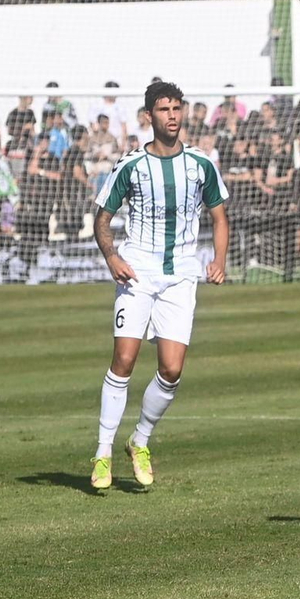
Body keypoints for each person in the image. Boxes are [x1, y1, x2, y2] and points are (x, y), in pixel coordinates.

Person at [90, 80, 229, 492]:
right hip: (138, 272)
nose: (172, 115)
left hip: (181, 275)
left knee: (171, 369)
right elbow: (102, 217)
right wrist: (112, 257)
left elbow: (220, 217)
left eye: (177, 108)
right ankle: (102, 453)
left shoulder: (201, 164)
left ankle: (140, 441)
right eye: (164, 109)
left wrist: (218, 261)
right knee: (125, 361)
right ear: (149, 116)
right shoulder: (131, 164)